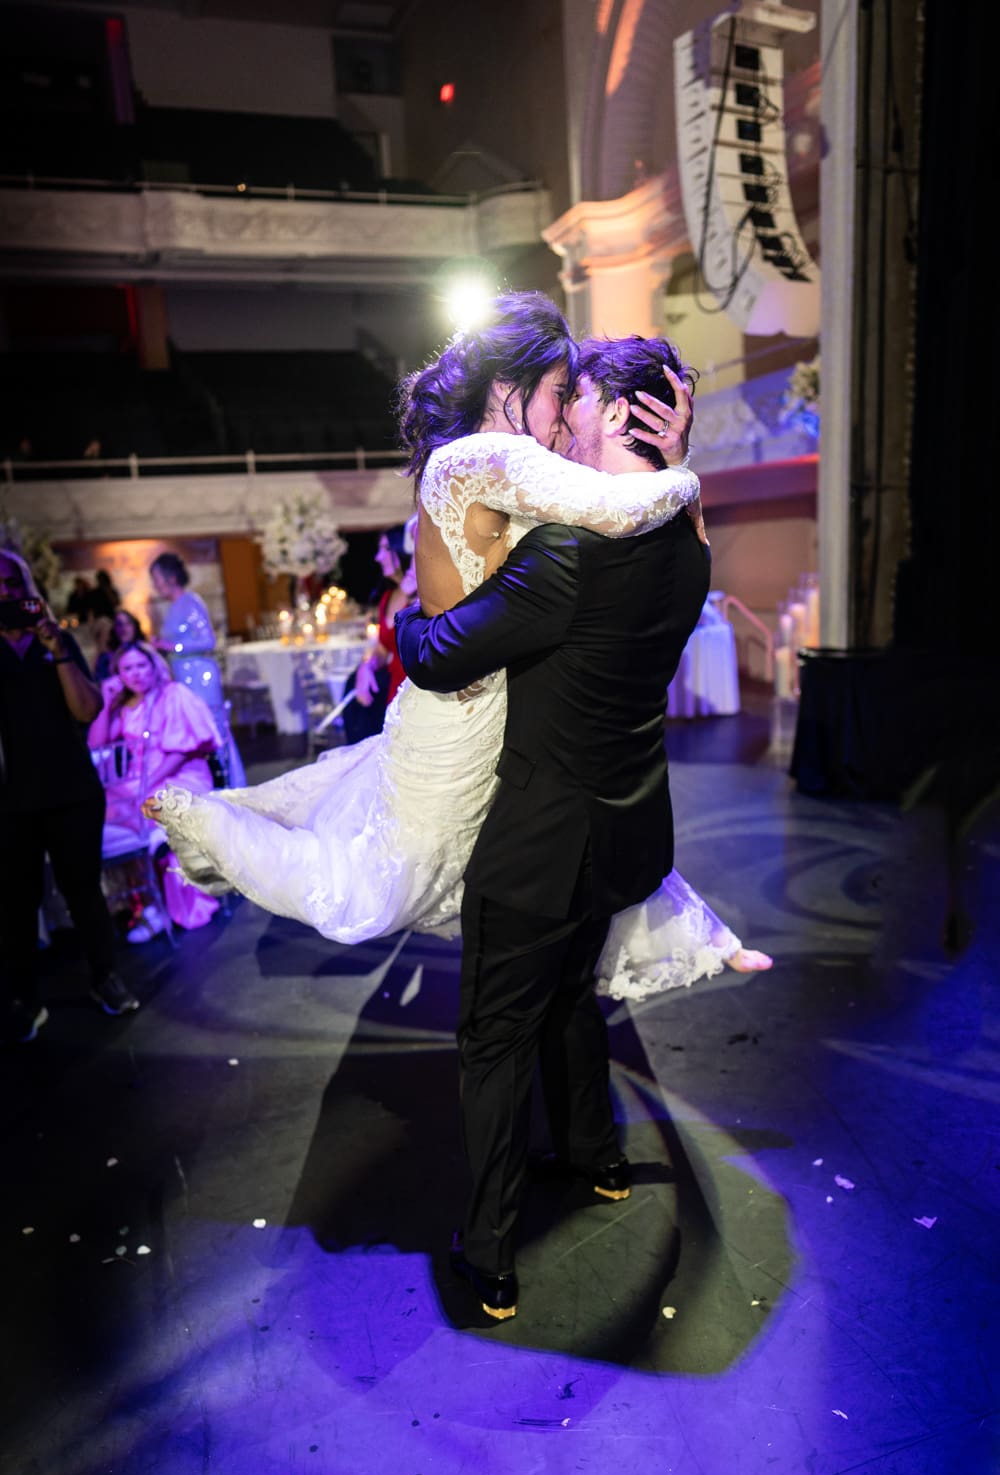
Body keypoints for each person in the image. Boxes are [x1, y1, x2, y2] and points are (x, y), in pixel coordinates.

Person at [145, 294, 769, 988]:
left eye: (571, 396)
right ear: (511, 384)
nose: (563, 417)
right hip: (474, 722)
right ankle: (215, 828)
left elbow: (595, 515)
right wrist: (682, 473)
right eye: (559, 393)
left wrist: (412, 621)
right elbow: (613, 511)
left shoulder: (503, 480)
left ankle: (231, 817)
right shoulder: (501, 461)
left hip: (501, 740)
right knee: (374, 883)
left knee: (385, 838)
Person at [394, 332, 751, 1318]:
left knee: (495, 1038)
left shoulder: (564, 553)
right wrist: (679, 459)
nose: (559, 420)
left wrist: (401, 612)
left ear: (611, 412)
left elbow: (434, 656)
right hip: (623, 831)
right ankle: (596, 1156)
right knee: (573, 998)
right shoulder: (686, 548)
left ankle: (494, 1250)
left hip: (541, 840)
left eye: (573, 400)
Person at [0, 547, 140, 1042]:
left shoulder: (55, 641)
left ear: (29, 591)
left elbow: (86, 710)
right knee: (17, 903)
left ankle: (105, 978)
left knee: (84, 892)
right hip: (11, 798)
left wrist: (56, 646)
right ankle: (23, 999)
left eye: (12, 585)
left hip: (71, 790)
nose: (5, 594)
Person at [89, 641, 223, 937]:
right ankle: (144, 901)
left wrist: (147, 782)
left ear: (153, 666)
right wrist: (107, 704)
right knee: (108, 812)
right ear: (118, 675)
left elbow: (182, 751)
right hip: (140, 779)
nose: (135, 674)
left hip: (179, 773)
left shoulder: (174, 695)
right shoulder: (126, 706)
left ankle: (174, 902)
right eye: (127, 668)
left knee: (158, 809)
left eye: (140, 665)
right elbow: (97, 744)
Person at [148, 551, 246, 788]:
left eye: (157, 578)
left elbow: (208, 641)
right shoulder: (174, 606)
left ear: (170, 577)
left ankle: (227, 785)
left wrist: (171, 646)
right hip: (184, 675)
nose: (155, 584)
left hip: (200, 676)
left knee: (212, 730)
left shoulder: (190, 601)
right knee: (197, 730)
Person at [340, 524, 416, 745]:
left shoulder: (422, 596)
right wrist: (367, 666)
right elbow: (383, 648)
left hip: (412, 688)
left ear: (401, 550)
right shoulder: (387, 597)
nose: (377, 557)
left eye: (384, 549)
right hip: (392, 687)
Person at [94, 609, 146, 682]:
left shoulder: (147, 651)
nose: (124, 628)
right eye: (119, 624)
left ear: (135, 626)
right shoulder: (105, 659)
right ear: (114, 629)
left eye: (128, 623)